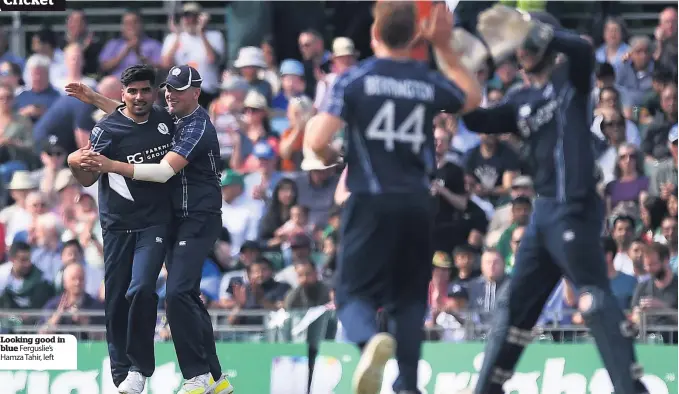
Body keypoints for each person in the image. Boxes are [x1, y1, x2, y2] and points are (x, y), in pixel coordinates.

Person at [457, 6, 649, 394]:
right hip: (542, 214)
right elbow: (477, 120)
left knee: (593, 300)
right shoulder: (521, 97)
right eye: (516, 45)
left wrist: (530, 29)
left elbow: (580, 49)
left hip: (574, 206)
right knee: (512, 311)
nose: (520, 50)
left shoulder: (570, 79)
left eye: (525, 43)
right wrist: (452, 78)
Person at [305, 3, 482, 394]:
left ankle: (370, 344)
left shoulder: (354, 79)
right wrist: (444, 47)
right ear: (416, 36)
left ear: (374, 33)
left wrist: (333, 156)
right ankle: (407, 385)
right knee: (408, 299)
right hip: (418, 202)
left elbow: (317, 141)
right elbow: (470, 98)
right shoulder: (425, 79)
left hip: (370, 198)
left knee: (352, 294)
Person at [66, 65, 233, 394]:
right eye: (168, 88)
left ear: (197, 93)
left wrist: (110, 165)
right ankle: (215, 378)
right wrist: (94, 100)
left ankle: (192, 375)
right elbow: (132, 114)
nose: (170, 94)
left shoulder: (195, 124)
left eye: (179, 89)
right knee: (182, 299)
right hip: (167, 219)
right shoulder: (167, 115)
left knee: (173, 293)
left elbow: (160, 173)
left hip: (195, 217)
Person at [66, 65, 175, 394]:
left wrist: (95, 97)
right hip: (117, 226)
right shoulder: (106, 130)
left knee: (142, 288)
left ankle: (140, 367)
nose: (139, 97)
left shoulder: (163, 119)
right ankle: (122, 376)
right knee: (115, 301)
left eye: (146, 90)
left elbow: (137, 117)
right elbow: (88, 178)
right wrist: (74, 163)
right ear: (124, 94)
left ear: (154, 92)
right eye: (133, 91)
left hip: (154, 223)